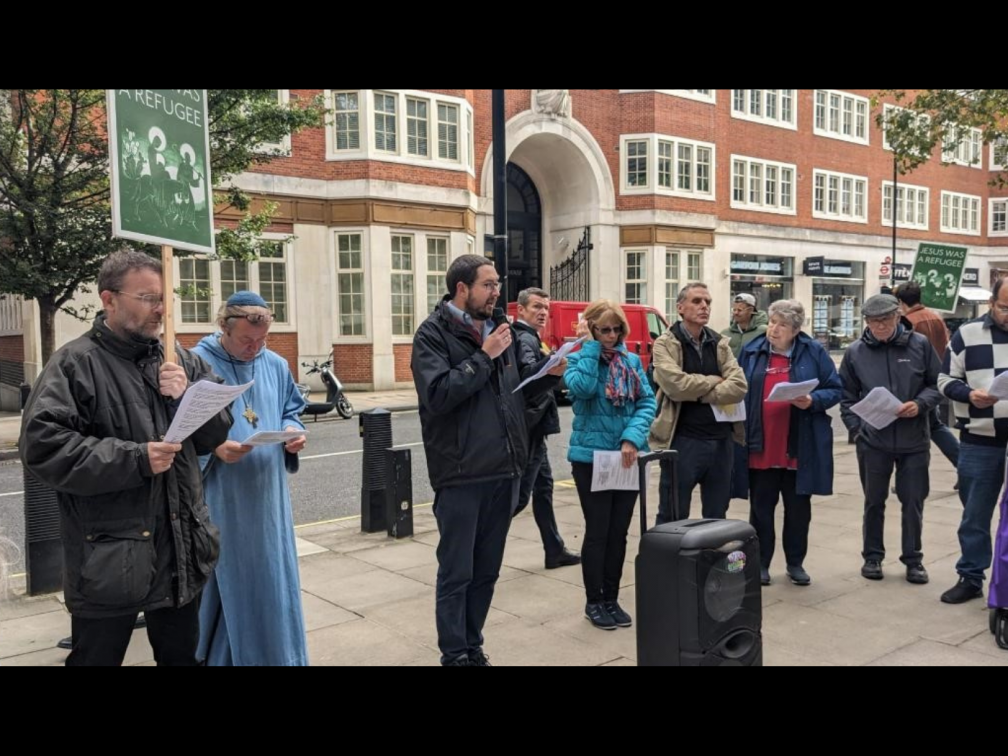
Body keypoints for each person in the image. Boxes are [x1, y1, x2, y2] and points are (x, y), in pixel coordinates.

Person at [20, 250, 231, 666]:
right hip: (109, 559)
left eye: (164, 297)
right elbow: (43, 447)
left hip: (181, 550)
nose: (161, 309)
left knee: (181, 658)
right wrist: (134, 459)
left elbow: (218, 430)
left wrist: (187, 394)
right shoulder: (75, 363)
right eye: (148, 297)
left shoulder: (181, 359)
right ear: (109, 299)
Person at [412, 254, 562, 666]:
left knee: (486, 572)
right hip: (461, 474)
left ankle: (473, 646)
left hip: (505, 469)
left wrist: (550, 375)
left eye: (498, 284)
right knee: (457, 573)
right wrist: (484, 355)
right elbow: (439, 395)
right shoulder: (432, 334)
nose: (497, 292)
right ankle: (454, 654)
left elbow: (514, 395)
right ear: (462, 288)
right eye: (489, 284)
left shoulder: (501, 330)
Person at [191, 291, 309, 665]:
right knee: (231, 579)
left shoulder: (273, 362)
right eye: (246, 340)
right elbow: (177, 431)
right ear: (224, 327)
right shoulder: (198, 363)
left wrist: (293, 432)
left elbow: (292, 407)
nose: (254, 348)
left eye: (262, 340)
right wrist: (216, 448)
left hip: (269, 497)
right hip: (224, 497)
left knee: (272, 581)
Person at [735, 300, 843, 587]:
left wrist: (812, 400)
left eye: (782, 324)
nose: (774, 329)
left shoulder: (813, 352)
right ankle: (761, 564)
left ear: (795, 330)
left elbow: (835, 388)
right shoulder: (751, 350)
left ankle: (795, 563)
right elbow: (736, 386)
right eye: (772, 322)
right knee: (761, 509)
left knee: (798, 511)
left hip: (798, 446)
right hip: (761, 445)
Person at [565, 300, 656, 630]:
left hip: (625, 458)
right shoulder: (577, 359)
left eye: (617, 329)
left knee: (619, 533)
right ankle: (594, 601)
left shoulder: (630, 361)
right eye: (604, 329)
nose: (612, 335)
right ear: (591, 328)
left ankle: (612, 598)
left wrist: (632, 437)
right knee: (598, 532)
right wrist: (590, 349)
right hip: (591, 460)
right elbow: (583, 389)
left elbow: (648, 401)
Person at [840, 293, 942, 585]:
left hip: (914, 440)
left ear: (898, 317)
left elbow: (938, 384)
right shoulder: (855, 351)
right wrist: (857, 429)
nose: (879, 326)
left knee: (913, 501)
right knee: (874, 501)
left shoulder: (919, 345)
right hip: (873, 441)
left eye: (884, 320)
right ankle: (872, 557)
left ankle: (914, 560)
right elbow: (846, 395)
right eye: (873, 321)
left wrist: (920, 404)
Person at [649, 282, 747, 524]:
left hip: (721, 440)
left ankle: (709, 562)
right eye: (697, 301)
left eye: (708, 302)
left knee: (716, 516)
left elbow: (739, 386)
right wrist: (714, 381)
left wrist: (701, 394)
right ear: (680, 308)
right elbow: (675, 385)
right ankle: (668, 562)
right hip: (683, 440)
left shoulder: (720, 342)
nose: (704, 306)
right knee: (672, 514)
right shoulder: (665, 343)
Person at [936, 277, 1008, 604]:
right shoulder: (967, 333)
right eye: (1005, 307)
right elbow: (944, 379)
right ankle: (971, 576)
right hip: (980, 436)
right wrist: (968, 394)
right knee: (975, 513)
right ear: (992, 303)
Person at [512, 287, 580, 569]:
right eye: (537, 307)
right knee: (517, 498)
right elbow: (529, 379)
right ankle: (480, 545)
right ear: (521, 310)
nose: (542, 312)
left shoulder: (530, 338)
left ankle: (554, 549)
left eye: (545, 308)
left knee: (544, 488)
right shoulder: (524, 339)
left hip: (535, 426)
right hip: (531, 428)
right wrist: (552, 367)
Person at [895, 281, 959, 470]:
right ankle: (963, 466)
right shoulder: (936, 317)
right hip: (935, 378)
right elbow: (946, 345)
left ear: (900, 301)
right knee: (935, 426)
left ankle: (909, 477)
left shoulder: (908, 322)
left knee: (918, 431)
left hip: (916, 382)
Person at [721, 293, 768, 359]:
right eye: (734, 310)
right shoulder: (725, 333)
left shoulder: (764, 332)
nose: (736, 313)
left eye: (739, 310)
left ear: (751, 310)